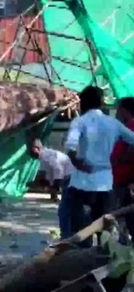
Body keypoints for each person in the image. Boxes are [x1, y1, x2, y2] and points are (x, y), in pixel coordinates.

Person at [65, 86, 134, 248]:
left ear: (83, 103)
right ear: (101, 103)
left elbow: (71, 148)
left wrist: (79, 165)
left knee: (80, 227)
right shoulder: (113, 124)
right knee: (103, 228)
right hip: (105, 182)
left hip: (82, 182)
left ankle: (83, 260)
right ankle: (103, 259)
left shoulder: (79, 121)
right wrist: (121, 159)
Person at [29, 139, 74, 239]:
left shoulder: (46, 155)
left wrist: (55, 184)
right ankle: (67, 233)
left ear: (37, 148)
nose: (31, 153)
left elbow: (57, 169)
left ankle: (66, 235)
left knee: (65, 208)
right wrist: (50, 184)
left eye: (32, 150)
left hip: (68, 175)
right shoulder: (44, 156)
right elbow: (49, 173)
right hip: (65, 175)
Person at [111, 97, 134, 244]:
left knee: (128, 218)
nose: (117, 112)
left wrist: (120, 159)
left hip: (127, 181)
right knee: (124, 218)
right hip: (121, 180)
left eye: (118, 108)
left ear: (125, 110)